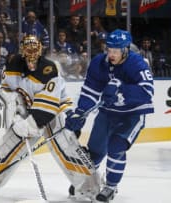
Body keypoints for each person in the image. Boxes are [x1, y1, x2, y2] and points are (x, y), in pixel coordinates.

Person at [0, 35, 96, 199]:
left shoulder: (49, 68)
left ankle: (90, 186)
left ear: (40, 50)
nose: (31, 58)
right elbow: (6, 90)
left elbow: (47, 107)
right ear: (22, 51)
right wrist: (15, 107)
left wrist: (30, 124)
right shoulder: (14, 64)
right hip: (29, 111)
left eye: (35, 51)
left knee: (66, 147)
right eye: (28, 52)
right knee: (9, 142)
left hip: (54, 110)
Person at [65, 29, 154, 202]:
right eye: (109, 49)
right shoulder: (99, 63)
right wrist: (80, 114)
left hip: (132, 114)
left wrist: (121, 89)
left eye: (116, 51)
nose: (111, 54)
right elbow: (90, 92)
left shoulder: (137, 63)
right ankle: (87, 181)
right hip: (108, 113)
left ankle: (111, 187)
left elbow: (147, 92)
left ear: (126, 49)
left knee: (116, 146)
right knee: (95, 151)